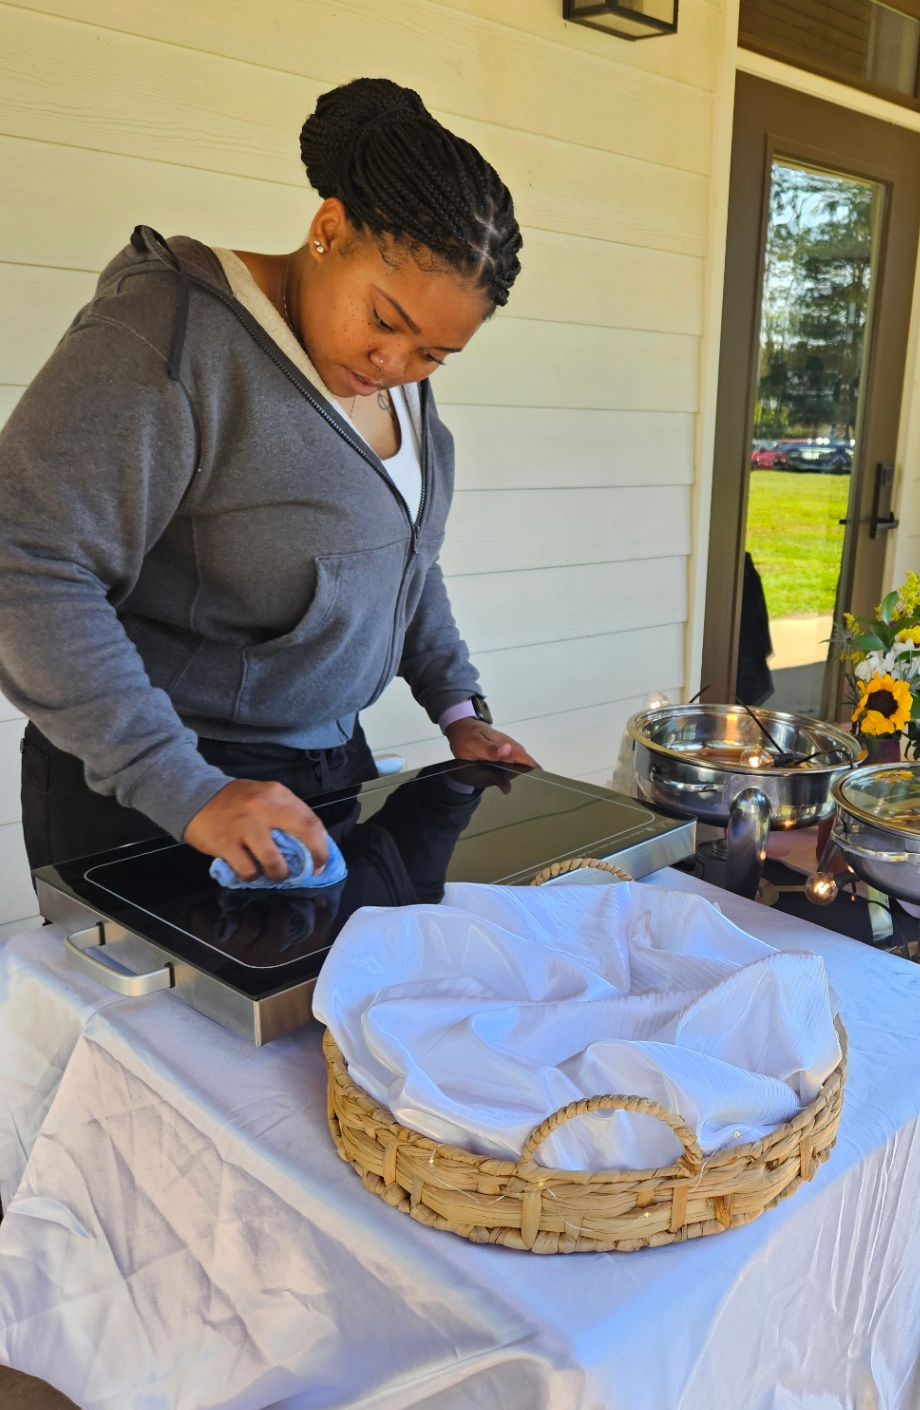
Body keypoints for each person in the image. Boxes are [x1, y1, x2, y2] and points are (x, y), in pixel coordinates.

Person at [0, 77, 535, 882]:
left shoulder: (385, 376)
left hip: (321, 775)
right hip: (160, 796)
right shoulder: (168, 338)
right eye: (386, 322)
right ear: (328, 229)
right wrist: (186, 790)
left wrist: (459, 709)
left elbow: (400, 557)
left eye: (433, 353)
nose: (396, 365)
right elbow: (27, 563)